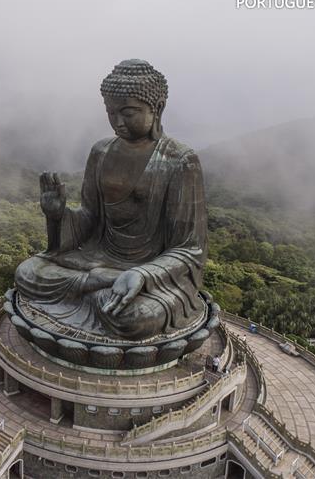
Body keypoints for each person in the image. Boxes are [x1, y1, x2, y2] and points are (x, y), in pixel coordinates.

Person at [14, 59, 207, 340]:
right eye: (111, 112)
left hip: (148, 272)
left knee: (135, 318)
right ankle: (97, 288)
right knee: (27, 273)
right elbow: (90, 218)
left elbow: (189, 249)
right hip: (96, 260)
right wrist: (58, 215)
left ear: (158, 108)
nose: (118, 121)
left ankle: (97, 290)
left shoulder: (180, 161)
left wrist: (144, 274)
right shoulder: (101, 151)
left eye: (128, 113)